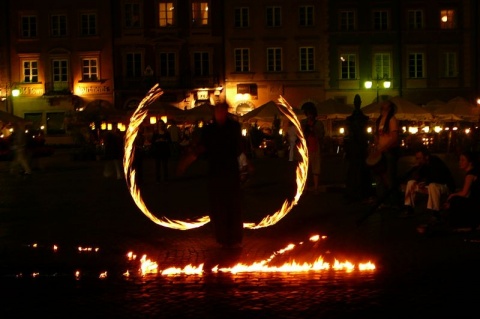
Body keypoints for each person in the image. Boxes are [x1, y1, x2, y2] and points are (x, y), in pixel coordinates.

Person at [177, 102, 243, 249]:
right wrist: (187, 162)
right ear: (214, 113)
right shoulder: (209, 130)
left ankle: (235, 237)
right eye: (218, 111)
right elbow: (201, 148)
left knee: (233, 205)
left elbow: (239, 148)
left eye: (223, 111)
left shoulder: (234, 127)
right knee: (218, 206)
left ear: (226, 111)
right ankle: (222, 238)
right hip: (215, 172)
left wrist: (246, 164)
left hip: (231, 171)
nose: (220, 114)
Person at [401, 147, 456, 219]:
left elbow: (438, 178)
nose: (418, 160)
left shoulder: (435, 161)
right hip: (431, 185)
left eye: (419, 158)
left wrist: (425, 183)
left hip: (444, 186)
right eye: (416, 158)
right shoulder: (424, 164)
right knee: (411, 183)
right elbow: (417, 177)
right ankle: (409, 209)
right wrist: (417, 168)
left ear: (426, 157)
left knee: (432, 186)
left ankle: (436, 213)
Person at [371, 99, 401, 208]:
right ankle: (382, 200)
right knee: (379, 177)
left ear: (388, 107)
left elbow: (394, 138)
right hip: (381, 152)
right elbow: (377, 136)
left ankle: (393, 201)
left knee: (390, 178)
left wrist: (384, 147)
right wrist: (376, 145)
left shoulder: (392, 120)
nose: (382, 106)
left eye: (384, 105)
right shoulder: (380, 120)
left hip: (389, 152)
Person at [443, 151, 480, 231]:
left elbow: (464, 193)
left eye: (463, 160)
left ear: (470, 162)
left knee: (454, 200)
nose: (460, 162)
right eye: (460, 160)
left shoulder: (470, 175)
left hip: (476, 203)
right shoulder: (474, 172)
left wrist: (452, 195)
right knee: (455, 198)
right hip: (475, 201)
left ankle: (465, 224)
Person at [344, 94, 372, 202]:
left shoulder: (359, 118)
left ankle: (357, 191)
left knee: (357, 169)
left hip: (358, 146)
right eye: (356, 102)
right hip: (357, 146)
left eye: (357, 101)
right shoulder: (356, 119)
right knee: (356, 169)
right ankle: (358, 191)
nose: (357, 103)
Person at [301, 102, 325, 194]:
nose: (309, 115)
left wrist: (313, 130)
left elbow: (321, 135)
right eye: (308, 113)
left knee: (316, 169)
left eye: (311, 113)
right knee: (305, 169)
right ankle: (305, 187)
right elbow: (300, 134)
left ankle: (315, 187)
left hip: (315, 148)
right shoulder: (303, 123)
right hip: (306, 149)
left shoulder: (318, 123)